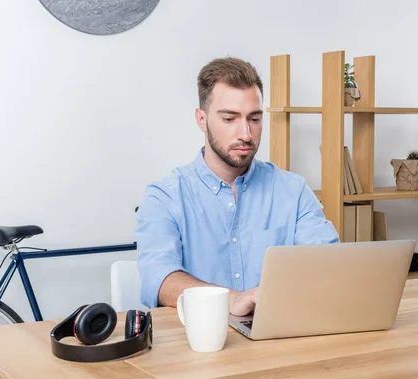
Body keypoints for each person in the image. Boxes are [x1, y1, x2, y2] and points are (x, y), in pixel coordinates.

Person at [135, 56, 339, 316]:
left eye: (254, 119)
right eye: (229, 119)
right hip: (198, 343)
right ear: (201, 119)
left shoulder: (293, 191)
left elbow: (329, 266)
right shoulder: (165, 197)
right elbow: (159, 278)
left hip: (280, 336)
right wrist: (231, 300)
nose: (245, 134)